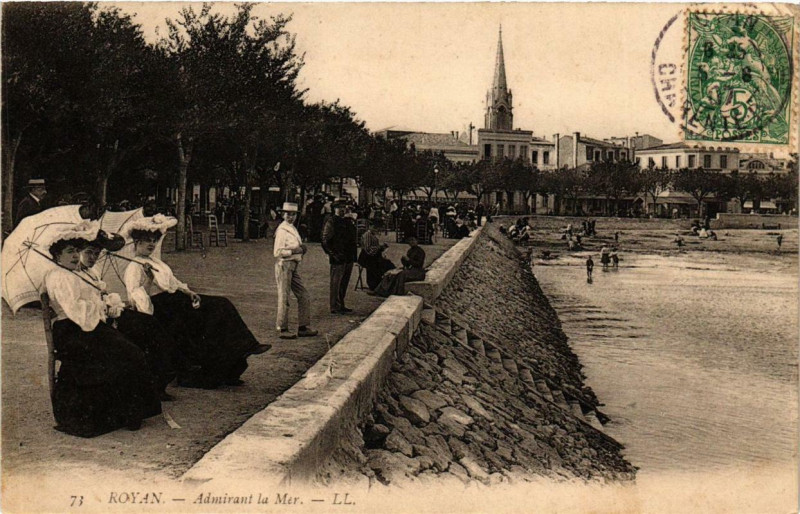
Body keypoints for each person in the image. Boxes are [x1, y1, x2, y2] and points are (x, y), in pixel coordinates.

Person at [123, 215, 270, 389]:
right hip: (162, 308)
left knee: (222, 304)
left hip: (176, 301)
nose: (151, 244)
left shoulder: (155, 262)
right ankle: (212, 370)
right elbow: (137, 299)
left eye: (154, 240)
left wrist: (189, 292)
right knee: (209, 320)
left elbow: (173, 283)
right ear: (136, 242)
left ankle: (244, 349)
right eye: (146, 241)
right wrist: (147, 280)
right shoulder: (133, 266)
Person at [44, 221, 161, 437]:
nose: (74, 256)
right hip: (72, 330)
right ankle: (125, 412)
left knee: (131, 349)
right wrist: (100, 304)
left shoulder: (78, 273)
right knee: (125, 353)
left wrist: (102, 300)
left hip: (90, 325)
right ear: (56, 256)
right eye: (69, 252)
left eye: (76, 251)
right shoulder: (58, 277)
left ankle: (129, 411)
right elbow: (78, 313)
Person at [78, 232, 180, 400]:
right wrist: (104, 305)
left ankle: (158, 380)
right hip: (96, 319)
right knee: (145, 331)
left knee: (150, 326)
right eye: (88, 252)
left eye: (96, 253)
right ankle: (150, 384)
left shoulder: (92, 272)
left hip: (111, 313)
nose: (93, 257)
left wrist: (107, 297)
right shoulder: (73, 276)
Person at [273, 202, 318, 339]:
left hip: (293, 266)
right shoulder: (282, 230)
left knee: (304, 295)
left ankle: (303, 326)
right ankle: (282, 328)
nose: (290, 217)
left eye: (293, 214)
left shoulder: (291, 228)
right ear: (283, 215)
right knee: (284, 297)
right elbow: (277, 252)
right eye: (288, 214)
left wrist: (301, 249)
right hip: (284, 265)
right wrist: (296, 250)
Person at [322, 200, 358, 314]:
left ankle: (341, 304)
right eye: (339, 207)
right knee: (336, 283)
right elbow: (325, 240)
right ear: (334, 209)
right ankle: (334, 306)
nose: (342, 209)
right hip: (338, 256)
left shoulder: (348, 221)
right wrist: (332, 254)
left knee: (344, 282)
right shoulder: (331, 221)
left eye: (343, 207)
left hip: (348, 256)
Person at [358, 221, 395, 290]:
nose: (376, 230)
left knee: (388, 264)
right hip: (367, 257)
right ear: (370, 227)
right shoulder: (367, 235)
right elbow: (368, 249)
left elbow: (373, 248)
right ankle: (375, 285)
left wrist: (381, 248)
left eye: (377, 228)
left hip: (373, 256)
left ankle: (383, 284)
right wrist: (379, 248)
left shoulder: (372, 235)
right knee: (380, 265)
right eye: (374, 228)